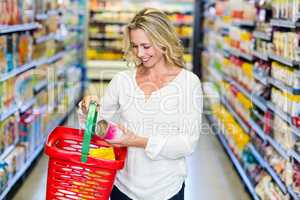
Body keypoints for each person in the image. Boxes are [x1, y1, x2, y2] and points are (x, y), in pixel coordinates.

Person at [78, 8, 203, 200]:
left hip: (166, 189)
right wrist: (90, 109)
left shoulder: (188, 83)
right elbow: (97, 128)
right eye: (135, 46)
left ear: (164, 42)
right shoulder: (123, 80)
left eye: (146, 46)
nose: (140, 53)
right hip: (122, 187)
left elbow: (186, 144)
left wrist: (137, 141)